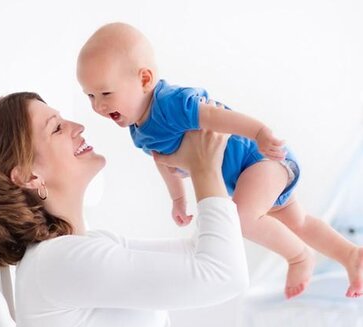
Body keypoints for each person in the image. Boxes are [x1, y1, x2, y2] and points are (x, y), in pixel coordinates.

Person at [76, 22, 363, 299]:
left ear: (145, 79)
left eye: (105, 93)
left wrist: (259, 132)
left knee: (241, 219)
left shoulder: (170, 103)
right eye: (90, 96)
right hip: (245, 178)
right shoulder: (137, 130)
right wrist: (177, 199)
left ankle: (300, 257)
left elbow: (216, 116)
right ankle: (351, 255)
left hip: (260, 159)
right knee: (298, 221)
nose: (98, 106)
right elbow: (162, 161)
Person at [0, 92, 249, 327]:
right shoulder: (60, 262)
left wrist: (201, 165)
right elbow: (224, 275)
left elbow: (202, 253)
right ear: (28, 176)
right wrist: (204, 169)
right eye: (58, 128)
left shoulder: (76, 252)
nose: (78, 127)